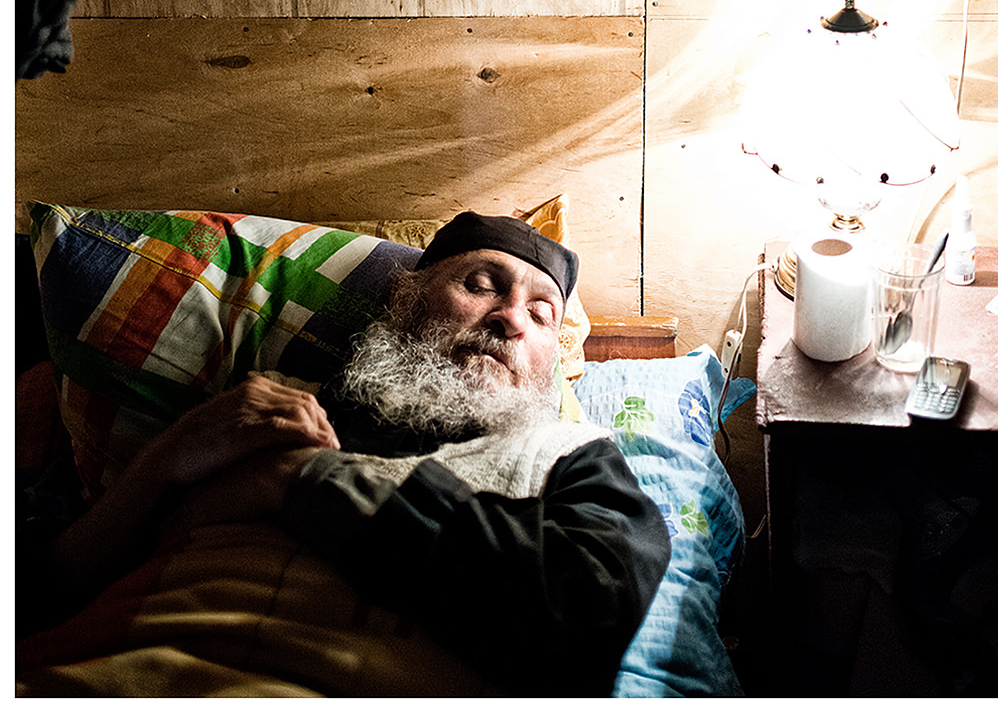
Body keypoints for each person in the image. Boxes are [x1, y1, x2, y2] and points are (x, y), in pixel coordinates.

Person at [27, 213, 671, 697]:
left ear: (552, 357)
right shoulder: (252, 410)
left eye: (543, 313)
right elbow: (44, 590)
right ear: (404, 298)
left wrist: (306, 479)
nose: (510, 318)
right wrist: (168, 456)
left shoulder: (571, 455)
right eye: (480, 285)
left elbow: (590, 611)